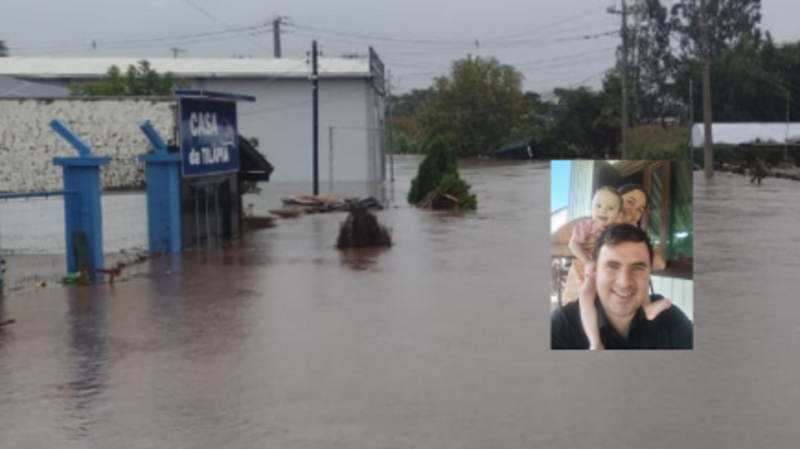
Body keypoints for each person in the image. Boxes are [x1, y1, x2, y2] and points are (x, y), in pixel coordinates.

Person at [551, 223, 693, 349]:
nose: (624, 282)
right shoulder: (562, 326)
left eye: (638, 268)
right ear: (596, 270)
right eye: (612, 266)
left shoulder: (668, 319)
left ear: (649, 272)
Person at [551, 183, 666, 306]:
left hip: (614, 306)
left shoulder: (633, 237)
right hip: (577, 299)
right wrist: (579, 249)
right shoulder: (585, 224)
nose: (633, 211)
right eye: (630, 202)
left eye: (640, 209)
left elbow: (660, 263)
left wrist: (613, 248)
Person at [567, 186, 623, 350]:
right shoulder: (585, 226)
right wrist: (586, 260)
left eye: (610, 208)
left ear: (618, 214)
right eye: (598, 206)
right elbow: (573, 244)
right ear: (591, 209)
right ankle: (595, 341)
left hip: (615, 275)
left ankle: (646, 308)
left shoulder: (619, 231)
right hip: (593, 273)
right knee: (585, 296)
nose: (603, 210)